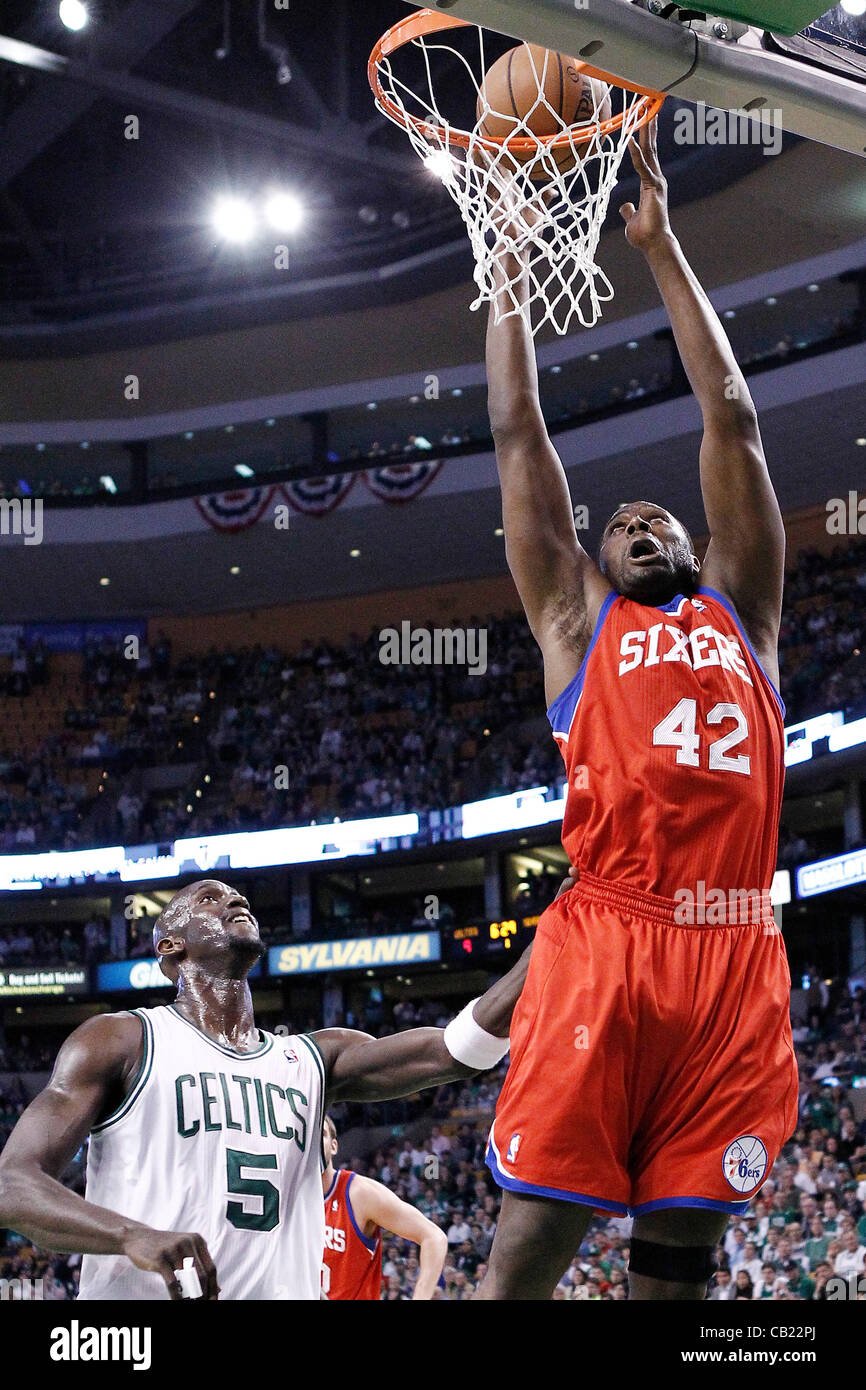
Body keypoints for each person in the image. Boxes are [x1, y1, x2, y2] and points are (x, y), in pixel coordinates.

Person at [475, 117, 798, 1301]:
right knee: (528, 1254)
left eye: (660, 519)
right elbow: (518, 435)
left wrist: (660, 246)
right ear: (596, 562)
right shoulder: (575, 623)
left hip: (732, 951)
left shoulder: (742, 619)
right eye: (620, 526)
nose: (644, 524)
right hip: (607, 941)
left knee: (679, 1267)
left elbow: (733, 421)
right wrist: (506, 263)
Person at [0, 879, 528, 1301]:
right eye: (210, 898)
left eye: (239, 896)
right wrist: (130, 1235)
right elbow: (11, 1186)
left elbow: (453, 1052)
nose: (234, 899)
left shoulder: (317, 1057)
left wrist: (549, 943)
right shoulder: (121, 1038)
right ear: (170, 946)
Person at [321, 1115, 447, 1300]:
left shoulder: (358, 1193)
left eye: (321, 1133)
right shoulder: (287, 1199)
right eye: (309, 1134)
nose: (314, 1139)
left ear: (334, 1146)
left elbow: (434, 1237)